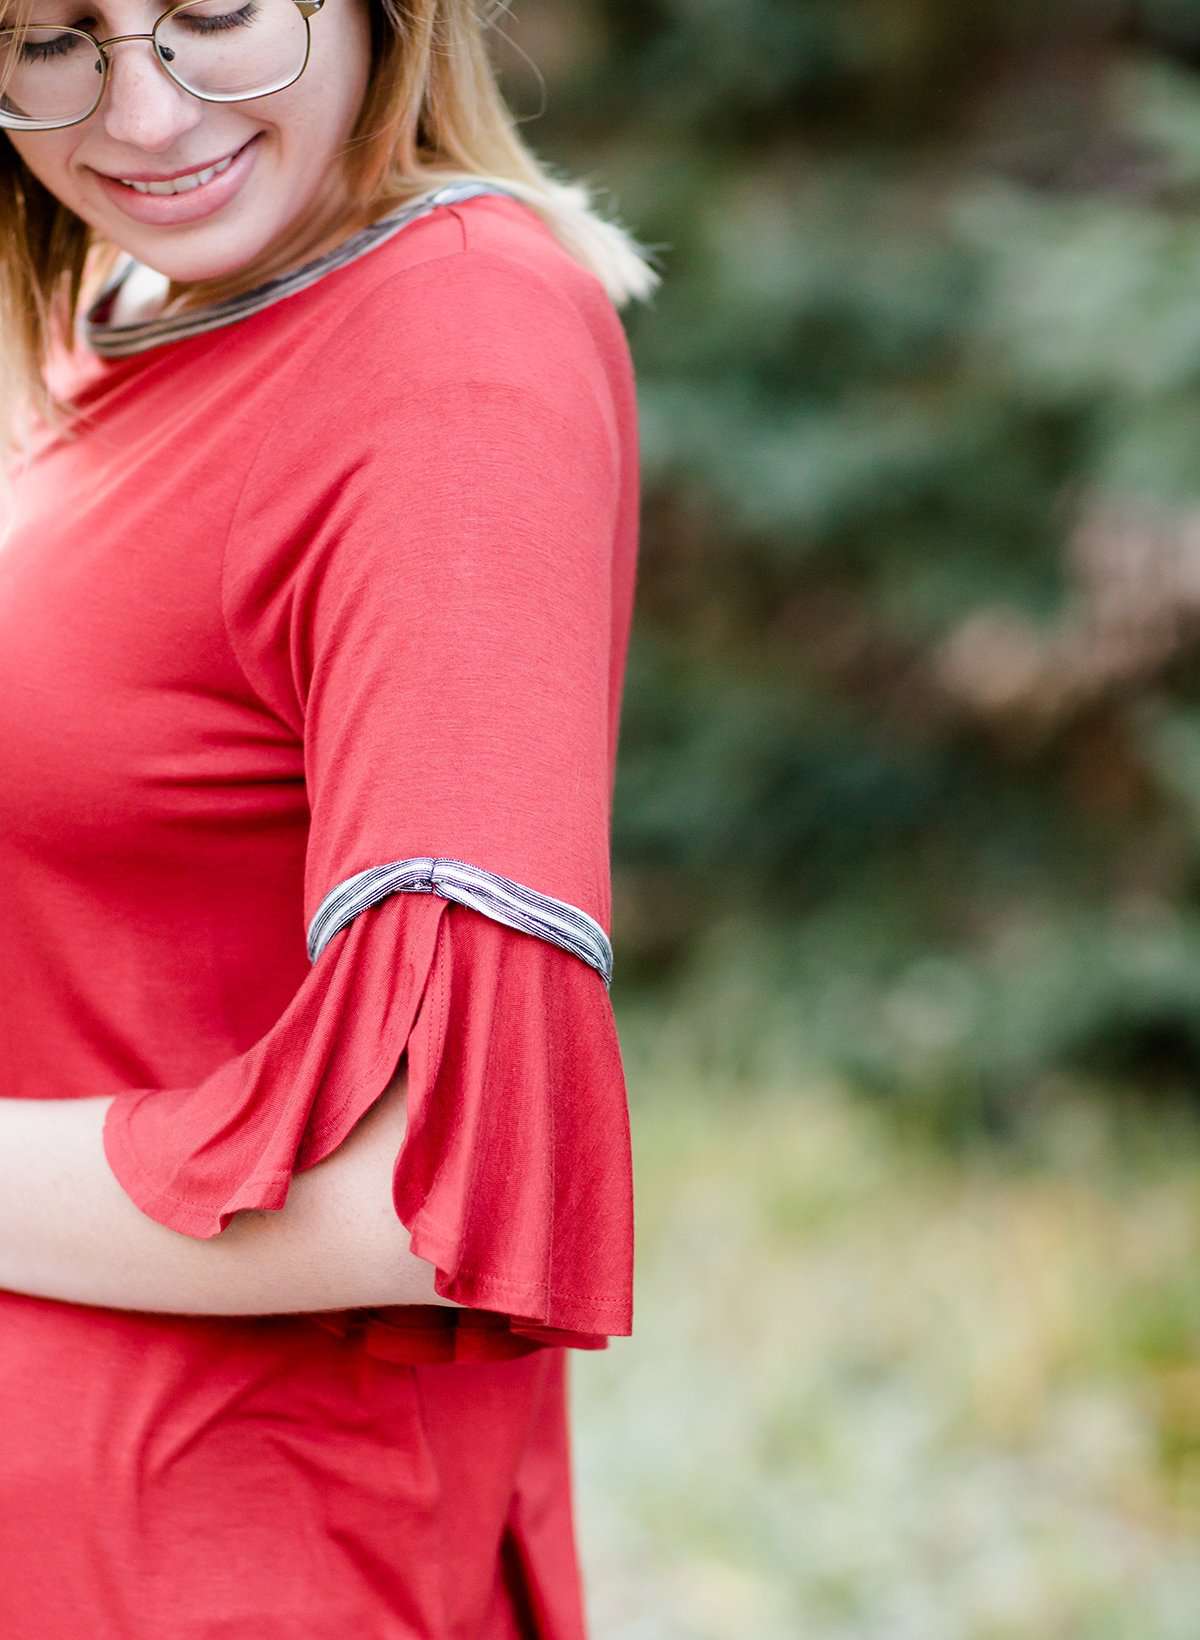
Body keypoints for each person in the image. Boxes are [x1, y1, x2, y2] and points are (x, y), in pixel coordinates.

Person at [0, 0, 660, 1631]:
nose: (142, 118)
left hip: (228, 1556)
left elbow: (437, 1191)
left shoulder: (455, 348)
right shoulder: (149, 295)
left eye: (215, 13)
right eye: (47, 38)